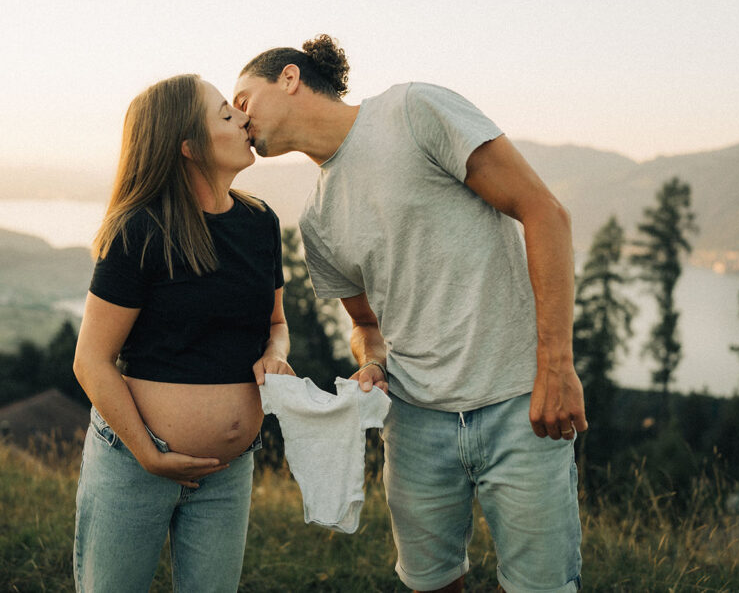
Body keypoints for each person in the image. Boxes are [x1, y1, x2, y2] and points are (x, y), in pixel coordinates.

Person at [233, 35, 587, 593]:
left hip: (520, 404)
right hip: (416, 422)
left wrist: (557, 367)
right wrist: (371, 363)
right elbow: (367, 326)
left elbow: (543, 212)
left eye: (244, 98)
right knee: (430, 584)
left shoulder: (413, 111)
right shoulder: (317, 222)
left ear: (290, 77)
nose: (238, 117)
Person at [71, 73, 293, 592]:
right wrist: (149, 453)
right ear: (189, 146)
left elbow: (277, 325)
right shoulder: (140, 231)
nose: (244, 117)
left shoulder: (261, 223)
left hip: (228, 473)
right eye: (225, 113)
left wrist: (275, 354)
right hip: (134, 464)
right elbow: (91, 360)